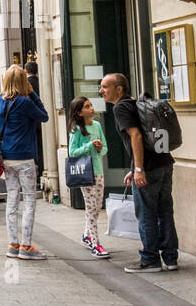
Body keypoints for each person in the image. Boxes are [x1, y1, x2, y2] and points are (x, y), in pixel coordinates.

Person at [0, 64, 50, 260]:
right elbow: (44, 116)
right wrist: (33, 94)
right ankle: (26, 246)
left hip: (5, 158)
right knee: (29, 200)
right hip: (25, 158)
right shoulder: (25, 102)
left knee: (12, 199)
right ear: (24, 82)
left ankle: (13, 244)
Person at [100, 72, 178, 272]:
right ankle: (170, 258)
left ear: (119, 89)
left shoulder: (120, 108)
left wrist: (138, 169)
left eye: (105, 87)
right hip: (164, 162)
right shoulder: (135, 103)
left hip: (149, 168)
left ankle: (150, 260)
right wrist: (133, 167)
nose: (101, 91)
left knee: (146, 213)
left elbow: (135, 136)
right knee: (165, 211)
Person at [67, 96, 109, 259]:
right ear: (79, 112)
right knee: (91, 208)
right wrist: (89, 145)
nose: (91, 108)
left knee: (97, 207)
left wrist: (99, 148)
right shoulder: (76, 129)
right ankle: (95, 243)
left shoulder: (97, 125)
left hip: (98, 171)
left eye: (91, 105)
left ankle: (87, 235)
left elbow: (105, 148)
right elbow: (72, 152)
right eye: (87, 106)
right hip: (85, 173)